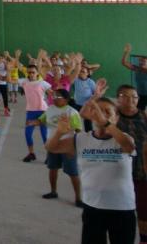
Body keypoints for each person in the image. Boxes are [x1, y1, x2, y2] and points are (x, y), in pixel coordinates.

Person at [46, 83, 136, 244]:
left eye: (107, 112)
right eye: (98, 111)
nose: (102, 115)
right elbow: (51, 148)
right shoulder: (81, 139)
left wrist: (106, 124)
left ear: (116, 118)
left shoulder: (124, 138)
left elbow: (129, 147)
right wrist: (59, 131)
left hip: (122, 209)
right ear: (92, 115)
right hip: (93, 207)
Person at [27, 89, 83, 206]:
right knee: (52, 169)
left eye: (59, 96)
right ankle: (53, 192)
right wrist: (33, 122)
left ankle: (78, 198)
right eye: (55, 96)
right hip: (53, 144)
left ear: (66, 99)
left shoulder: (72, 112)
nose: (56, 98)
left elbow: (78, 130)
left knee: (73, 173)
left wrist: (74, 147)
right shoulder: (50, 109)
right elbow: (42, 121)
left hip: (67, 146)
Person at [113, 83, 147, 243]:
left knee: (143, 209)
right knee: (121, 210)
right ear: (118, 99)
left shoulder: (144, 116)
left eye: (134, 96)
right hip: (118, 172)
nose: (130, 100)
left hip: (142, 169)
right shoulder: (112, 117)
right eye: (125, 96)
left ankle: (143, 238)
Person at [19, 65, 51, 162]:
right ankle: (31, 153)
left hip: (43, 111)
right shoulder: (24, 82)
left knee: (44, 135)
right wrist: (8, 69)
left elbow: (52, 94)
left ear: (37, 73)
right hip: (30, 112)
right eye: (29, 72)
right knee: (27, 134)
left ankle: (49, 156)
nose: (31, 74)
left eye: (33, 72)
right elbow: (9, 80)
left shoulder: (43, 83)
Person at [122, 43, 147, 112]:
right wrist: (126, 52)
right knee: (139, 111)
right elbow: (124, 62)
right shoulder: (137, 68)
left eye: (144, 61)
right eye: (140, 61)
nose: (141, 62)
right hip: (141, 94)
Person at [72, 66, 98, 132]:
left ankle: (88, 134)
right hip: (77, 104)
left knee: (88, 122)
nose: (81, 73)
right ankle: (75, 133)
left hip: (87, 106)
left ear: (87, 73)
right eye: (80, 71)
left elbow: (95, 93)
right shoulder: (76, 80)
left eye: (83, 72)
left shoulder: (91, 82)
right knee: (74, 120)